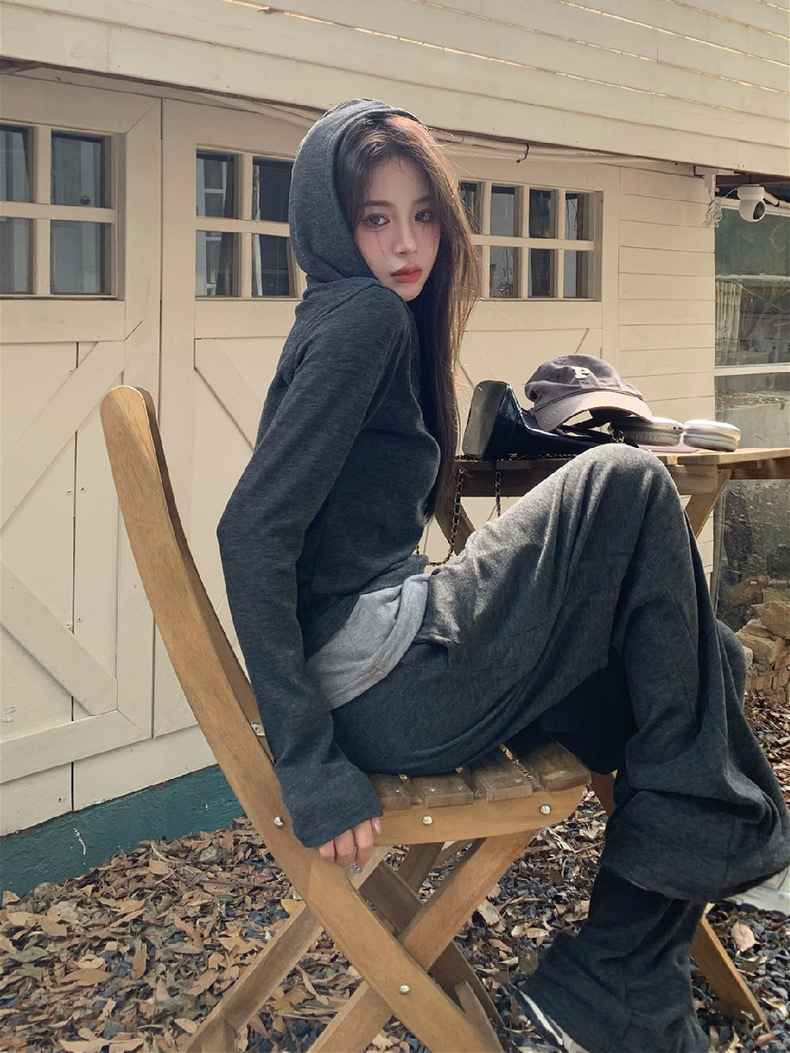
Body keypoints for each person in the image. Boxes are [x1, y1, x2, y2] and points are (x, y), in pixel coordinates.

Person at [217, 99, 790, 1053]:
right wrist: (308, 764)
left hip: (394, 670)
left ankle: (625, 978)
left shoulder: (358, 316)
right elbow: (251, 532)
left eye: (424, 215)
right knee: (625, 481)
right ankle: (622, 972)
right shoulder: (362, 316)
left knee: (703, 663)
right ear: (331, 224)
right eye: (375, 218)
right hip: (386, 685)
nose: (407, 242)